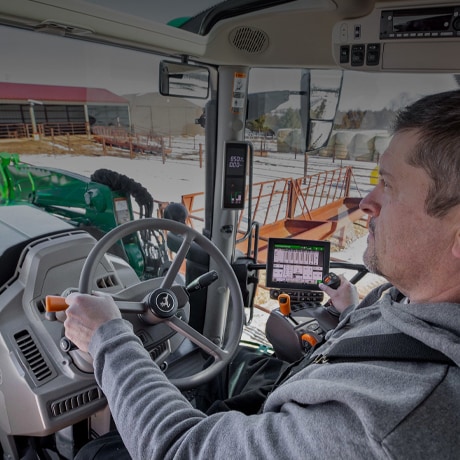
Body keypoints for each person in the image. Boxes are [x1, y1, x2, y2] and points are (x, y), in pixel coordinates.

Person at [63, 90, 460, 459]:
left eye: (388, 186)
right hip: (295, 385)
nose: (366, 203)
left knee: (93, 454)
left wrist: (108, 338)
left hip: (280, 410)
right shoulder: (417, 300)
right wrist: (351, 313)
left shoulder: (379, 422)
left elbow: (180, 450)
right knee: (218, 366)